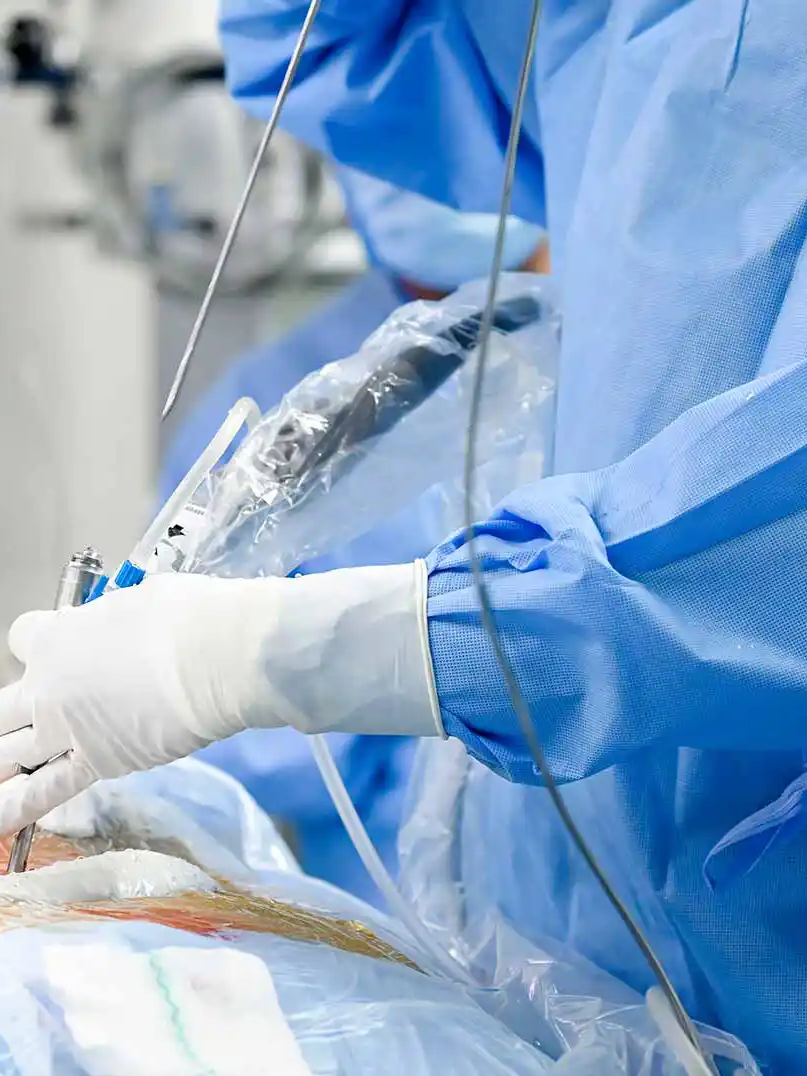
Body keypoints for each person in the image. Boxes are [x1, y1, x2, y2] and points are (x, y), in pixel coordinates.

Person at [0, 4, 807, 1071]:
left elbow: (767, 556)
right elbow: (335, 51)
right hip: (566, 938)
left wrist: (280, 653)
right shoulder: (632, 34)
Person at [160, 168, 546, 903]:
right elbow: (227, 735)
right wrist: (379, 684)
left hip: (653, 925)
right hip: (393, 913)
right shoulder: (286, 396)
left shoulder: (645, 352)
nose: (443, 166)